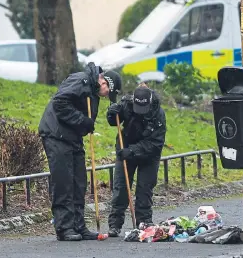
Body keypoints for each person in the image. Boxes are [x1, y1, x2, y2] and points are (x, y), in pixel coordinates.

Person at [38, 62, 122, 241]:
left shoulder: (94, 93)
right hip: (56, 134)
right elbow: (60, 102)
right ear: (105, 83)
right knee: (63, 181)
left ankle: (78, 226)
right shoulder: (81, 80)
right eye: (109, 92)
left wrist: (85, 125)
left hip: (73, 137)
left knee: (79, 181)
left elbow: (85, 120)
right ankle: (64, 228)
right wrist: (82, 121)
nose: (107, 96)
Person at [105, 84, 167, 237]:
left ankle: (144, 221)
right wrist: (112, 114)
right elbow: (115, 121)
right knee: (120, 188)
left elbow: (155, 143)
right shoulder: (126, 104)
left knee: (145, 188)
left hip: (148, 154)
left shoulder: (158, 114)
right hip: (125, 149)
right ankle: (115, 224)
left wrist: (132, 151)